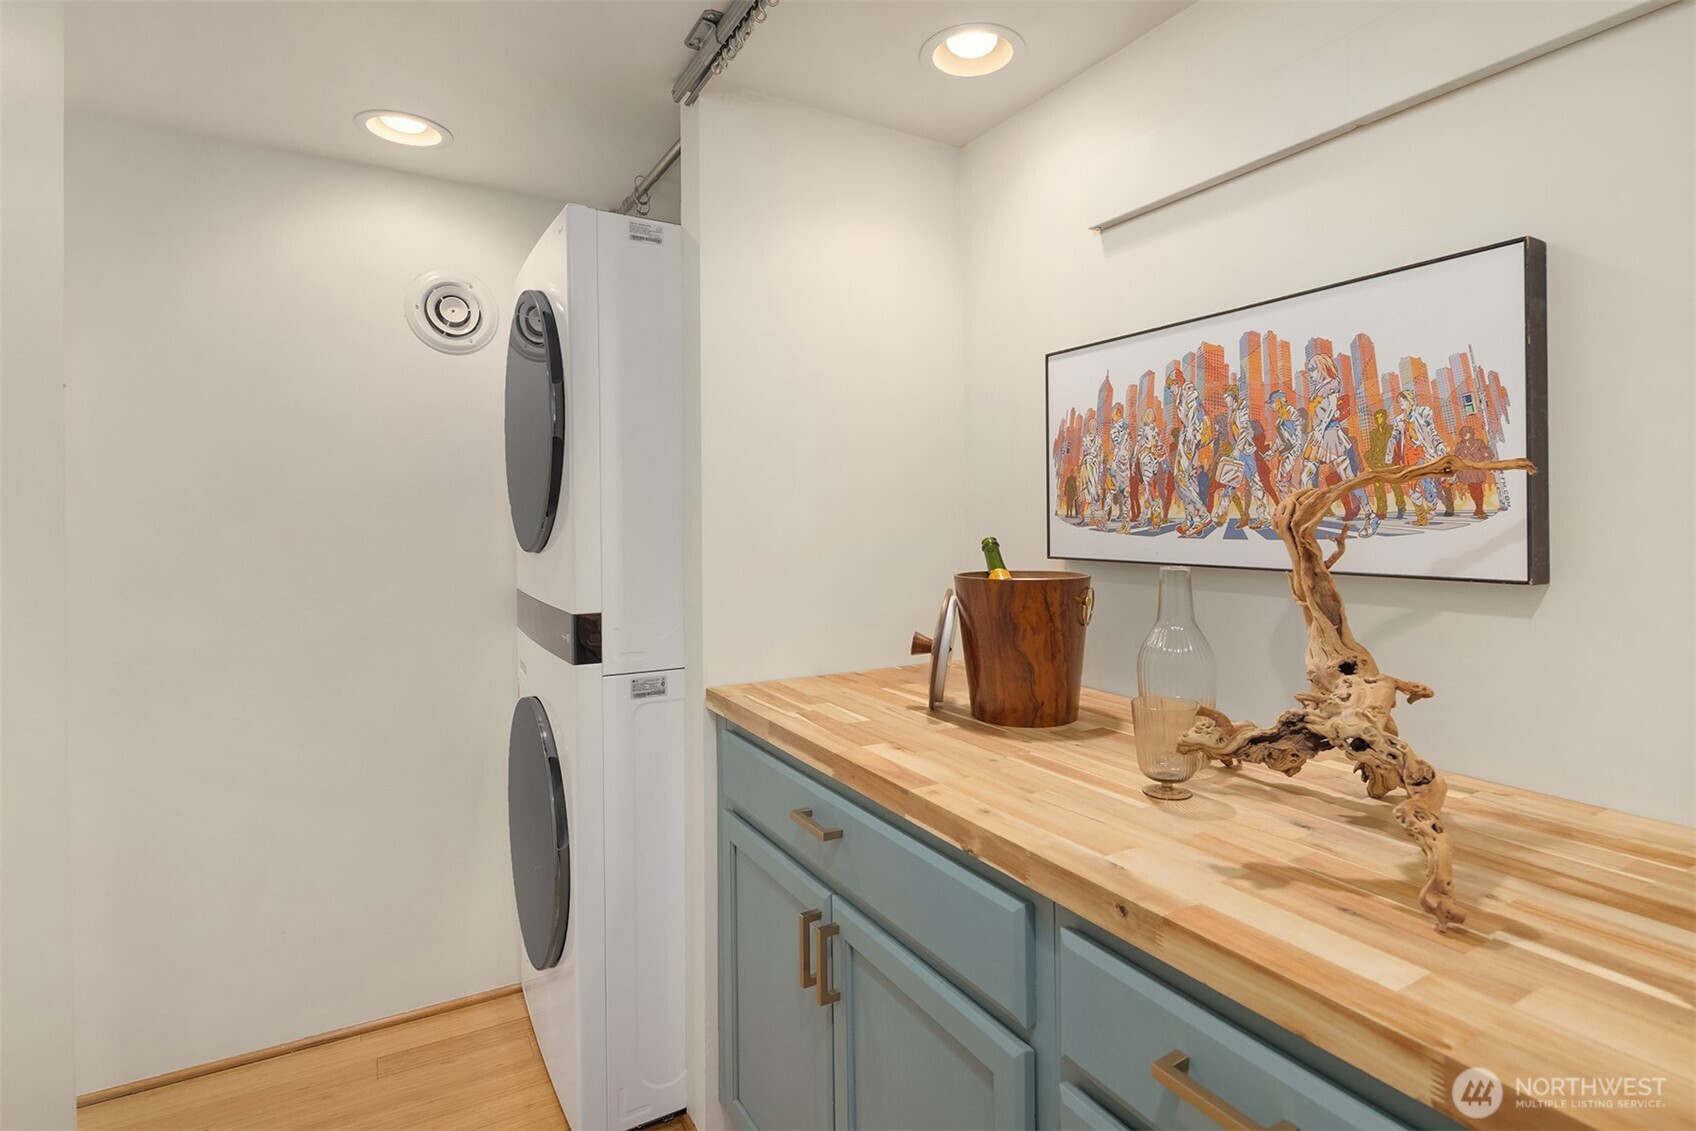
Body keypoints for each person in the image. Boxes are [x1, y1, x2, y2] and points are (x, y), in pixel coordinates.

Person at [1301, 355, 1378, 535]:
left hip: (1330, 435)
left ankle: (1370, 515)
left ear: (1322, 368)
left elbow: (1331, 408)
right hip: (1317, 436)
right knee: (1306, 475)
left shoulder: (1332, 384)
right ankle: (1309, 515)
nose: (1309, 374)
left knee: (1349, 480)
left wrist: (1321, 428)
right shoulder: (1318, 388)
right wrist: (1315, 432)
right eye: (1308, 370)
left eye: (1312, 369)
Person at [1208, 388, 1272, 530]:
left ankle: (1265, 517)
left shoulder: (1242, 408)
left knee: (1255, 482)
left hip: (1246, 452)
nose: (1225, 401)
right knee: (1230, 482)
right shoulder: (1232, 411)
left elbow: (1243, 430)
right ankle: (1220, 516)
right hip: (1238, 452)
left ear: (1233, 397)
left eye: (1226, 398)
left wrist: (1238, 449)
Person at [1391, 389, 1448, 526]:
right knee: (1413, 487)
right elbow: (1394, 438)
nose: (1400, 403)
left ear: (1409, 399)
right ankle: (1421, 517)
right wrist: (1389, 453)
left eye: (1402, 400)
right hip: (1408, 457)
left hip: (1422, 453)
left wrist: (1439, 444)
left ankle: (1432, 504)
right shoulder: (1398, 420)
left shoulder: (1423, 413)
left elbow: (1432, 431)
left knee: (1426, 483)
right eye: (1398, 401)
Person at [1166, 370, 1210, 536]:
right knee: (1189, 480)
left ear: (1176, 382)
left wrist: (1191, 438)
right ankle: (1192, 520)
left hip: (1190, 438)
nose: (1170, 390)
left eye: (1170, 387)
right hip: (1188, 438)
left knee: (1181, 479)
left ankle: (1202, 517)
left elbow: (1193, 415)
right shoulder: (1182, 394)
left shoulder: (1188, 390)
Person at [1365, 408, 1405, 519]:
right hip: (1377, 464)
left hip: (1389, 462)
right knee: (1378, 488)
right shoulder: (1372, 433)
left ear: (1385, 417)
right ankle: (1381, 511)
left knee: (1395, 485)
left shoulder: (1392, 429)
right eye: (1376, 418)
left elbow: (1397, 445)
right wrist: (1371, 461)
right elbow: (1373, 449)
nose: (1378, 420)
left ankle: (1401, 506)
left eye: (1381, 417)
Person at [1451, 423, 1494, 519]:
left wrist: (1482, 462)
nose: (1465, 435)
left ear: (1471, 433)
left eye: (1467, 433)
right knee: (1472, 490)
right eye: (1463, 433)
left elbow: (1489, 453)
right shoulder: (1459, 445)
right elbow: (1456, 457)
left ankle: (1480, 510)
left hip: (1476, 470)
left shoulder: (1478, 443)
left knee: (1478, 489)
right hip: (1467, 472)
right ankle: (1477, 508)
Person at [1269, 390, 1305, 498]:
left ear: (1279, 401)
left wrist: (1296, 450)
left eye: (1272, 402)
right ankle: (1288, 503)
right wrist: (1272, 451)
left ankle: (1291, 504)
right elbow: (1279, 438)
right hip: (1284, 452)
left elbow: (1298, 431)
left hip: (1291, 451)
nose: (1271, 406)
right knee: (1282, 482)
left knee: (1284, 481)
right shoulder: (1280, 417)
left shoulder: (1290, 412)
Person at [1135, 409, 1166, 528]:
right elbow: (1161, 446)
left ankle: (1157, 516)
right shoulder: (1155, 430)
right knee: (1149, 489)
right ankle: (1143, 518)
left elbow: (1138, 445)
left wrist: (1133, 460)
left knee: (1148, 488)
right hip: (1155, 461)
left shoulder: (1143, 429)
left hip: (1146, 460)